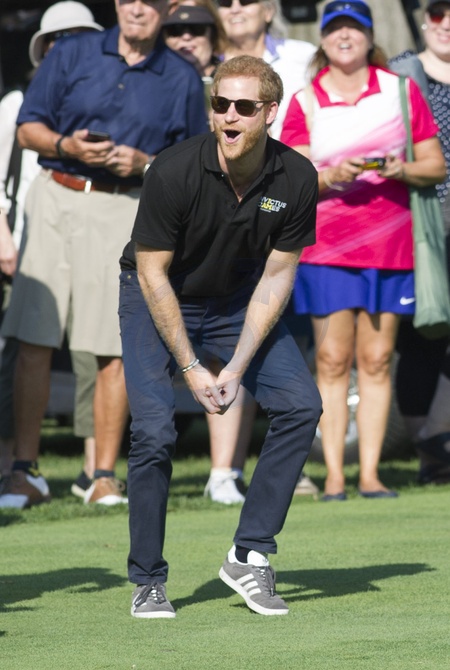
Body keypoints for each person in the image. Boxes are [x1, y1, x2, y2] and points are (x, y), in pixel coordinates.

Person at [119, 55, 322, 618]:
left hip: (236, 299)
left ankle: (249, 554)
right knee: (154, 431)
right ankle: (147, 579)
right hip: (157, 295)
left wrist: (235, 366)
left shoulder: (297, 177)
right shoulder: (173, 170)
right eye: (220, 104)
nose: (229, 115)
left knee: (301, 405)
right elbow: (152, 273)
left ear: (270, 112)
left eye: (244, 106)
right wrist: (191, 367)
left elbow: (277, 277)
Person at [0, 0, 208, 510]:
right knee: (34, 339)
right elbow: (28, 130)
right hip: (57, 192)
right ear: (117, 4)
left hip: (127, 204)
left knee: (113, 346)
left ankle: (103, 477)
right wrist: (67, 145)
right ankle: (24, 473)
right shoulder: (71, 52)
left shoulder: (180, 75)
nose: (138, 9)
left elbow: (194, 163)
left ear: (166, 9)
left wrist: (146, 162)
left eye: (150, 2)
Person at [280, 0, 446, 500]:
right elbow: (293, 178)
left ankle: (370, 475)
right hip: (327, 247)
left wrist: (399, 169)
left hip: (391, 246)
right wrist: (332, 175)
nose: (345, 36)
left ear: (370, 38)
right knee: (332, 358)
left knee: (375, 359)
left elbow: (435, 165)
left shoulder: (399, 91)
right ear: (324, 38)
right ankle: (334, 475)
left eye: (355, 27)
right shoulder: (306, 99)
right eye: (336, 28)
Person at [192, 0, 318, 503]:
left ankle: (287, 463)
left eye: (246, 0)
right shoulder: (202, 58)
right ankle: (224, 471)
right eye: (225, 2)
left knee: (284, 346)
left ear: (269, 9)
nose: (235, 8)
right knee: (220, 343)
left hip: (284, 205)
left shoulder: (304, 56)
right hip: (220, 210)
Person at [0, 1, 104, 498]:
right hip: (22, 245)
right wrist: (4, 239)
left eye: (80, 37)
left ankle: (95, 471)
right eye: (59, 40)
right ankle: (17, 467)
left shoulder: (102, 102)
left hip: (88, 239)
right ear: (43, 49)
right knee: (21, 353)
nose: (69, 48)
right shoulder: (17, 102)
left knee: (93, 355)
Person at [389, 0, 450, 485]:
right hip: (418, 219)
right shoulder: (398, 73)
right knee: (421, 337)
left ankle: (436, 438)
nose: (445, 24)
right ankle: (430, 454)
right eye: (437, 13)